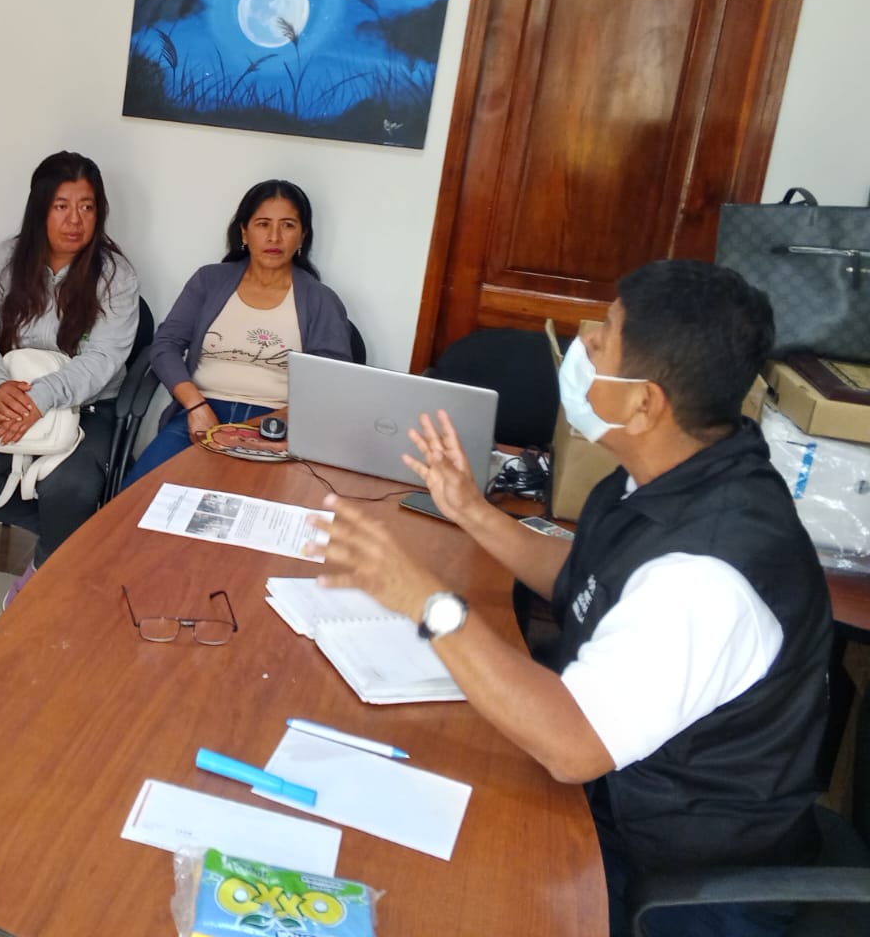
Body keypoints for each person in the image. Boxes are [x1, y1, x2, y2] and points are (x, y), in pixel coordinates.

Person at [305, 260, 832, 937]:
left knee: (418, 886)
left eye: (604, 337)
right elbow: (585, 580)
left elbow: (571, 745)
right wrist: (471, 511)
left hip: (680, 883)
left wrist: (428, 602)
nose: (583, 342)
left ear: (644, 404)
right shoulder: (674, 473)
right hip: (616, 797)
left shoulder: (704, 578)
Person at [0, 151, 140, 606]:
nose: (75, 220)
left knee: (71, 487)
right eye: (61, 206)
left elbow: (104, 358)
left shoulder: (117, 277)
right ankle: (68, 544)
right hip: (8, 394)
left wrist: (42, 399)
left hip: (87, 404)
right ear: (39, 208)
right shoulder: (1, 262)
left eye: (87, 206)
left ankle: (45, 572)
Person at [123, 180, 352, 486]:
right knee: (139, 496)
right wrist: (195, 406)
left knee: (248, 507)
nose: (274, 236)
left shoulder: (320, 299)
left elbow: (332, 380)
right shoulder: (209, 281)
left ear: (303, 235)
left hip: (277, 423)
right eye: (263, 224)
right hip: (203, 412)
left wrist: (279, 421)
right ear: (244, 232)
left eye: (287, 225)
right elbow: (165, 345)